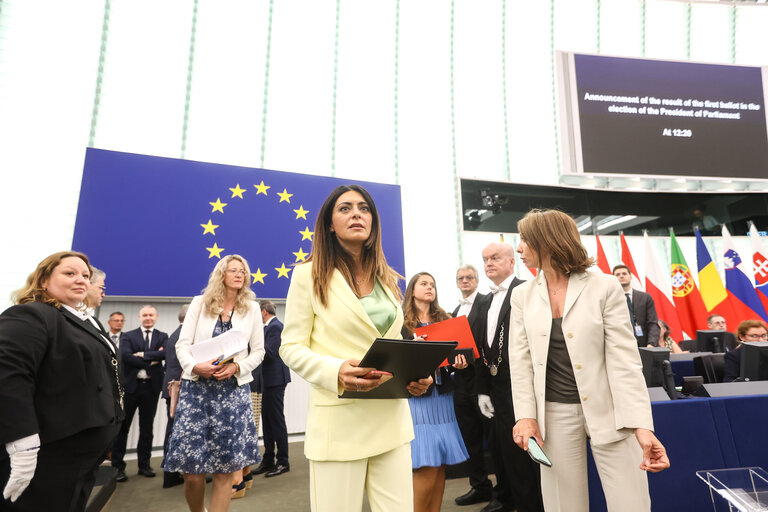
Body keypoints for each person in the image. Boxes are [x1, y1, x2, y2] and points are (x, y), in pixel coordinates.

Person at [280, 184, 432, 512]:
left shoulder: (388, 279)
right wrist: (335, 371)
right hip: (339, 423)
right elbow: (290, 347)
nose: (356, 214)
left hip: (390, 419)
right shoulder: (306, 276)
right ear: (329, 224)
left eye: (364, 208)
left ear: (373, 222)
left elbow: (392, 342)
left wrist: (416, 376)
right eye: (345, 208)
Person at [510, 209, 670, 512]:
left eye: (524, 240)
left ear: (548, 241)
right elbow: (521, 363)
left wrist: (642, 426)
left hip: (611, 412)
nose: (519, 248)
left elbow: (624, 361)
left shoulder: (605, 286)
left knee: (631, 504)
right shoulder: (522, 296)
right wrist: (525, 416)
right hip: (553, 417)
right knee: (562, 506)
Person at [0, 251, 124, 511]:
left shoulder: (84, 321)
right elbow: (8, 376)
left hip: (82, 457)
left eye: (86, 276)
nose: (81, 280)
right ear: (44, 280)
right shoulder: (32, 314)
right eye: (70, 273)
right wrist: (23, 446)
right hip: (52, 455)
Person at [165, 254, 265, 512]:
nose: (239, 275)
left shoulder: (252, 308)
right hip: (197, 392)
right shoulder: (200, 303)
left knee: (226, 471)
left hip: (233, 393)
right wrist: (195, 366)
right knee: (192, 472)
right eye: (233, 270)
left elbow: (259, 352)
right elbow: (182, 345)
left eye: (243, 271)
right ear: (221, 274)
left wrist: (236, 367)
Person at [475, 243, 543, 512]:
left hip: (523, 387)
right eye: (485, 259)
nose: (489, 263)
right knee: (506, 456)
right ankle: (513, 502)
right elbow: (481, 346)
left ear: (512, 261)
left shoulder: (528, 291)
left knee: (527, 458)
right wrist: (482, 389)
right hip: (496, 389)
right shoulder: (486, 300)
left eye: (495, 258)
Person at [401, 272, 469, 512]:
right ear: (412, 290)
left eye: (432, 284)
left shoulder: (446, 320)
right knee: (425, 464)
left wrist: (458, 364)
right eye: (424, 284)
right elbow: (397, 363)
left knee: (440, 466)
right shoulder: (402, 324)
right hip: (419, 401)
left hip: (444, 398)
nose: (429, 287)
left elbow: (452, 360)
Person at [451, 265, 494, 507]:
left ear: (477, 281)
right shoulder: (455, 311)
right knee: (471, 439)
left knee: (493, 438)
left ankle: (504, 491)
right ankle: (480, 486)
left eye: (469, 277)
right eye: (461, 278)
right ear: (457, 282)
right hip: (461, 384)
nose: (465, 281)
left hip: (485, 382)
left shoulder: (488, 302)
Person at [111, 305, 169, 481]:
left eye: (151, 315)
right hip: (130, 388)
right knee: (122, 428)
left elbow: (166, 354)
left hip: (150, 388)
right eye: (145, 315)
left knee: (147, 429)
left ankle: (144, 465)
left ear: (156, 317)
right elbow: (126, 356)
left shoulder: (162, 336)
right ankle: (118, 467)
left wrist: (142, 354)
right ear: (139, 317)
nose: (148, 318)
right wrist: (152, 360)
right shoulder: (129, 336)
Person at [256, 300, 291, 478]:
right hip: (266, 380)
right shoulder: (266, 329)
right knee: (267, 421)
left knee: (276, 420)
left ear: (263, 312)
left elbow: (270, 354)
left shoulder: (276, 327)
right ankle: (268, 459)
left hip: (276, 380)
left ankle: (283, 461)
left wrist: (252, 341)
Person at [161, 304, 189, 489]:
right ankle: (170, 474)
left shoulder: (176, 334)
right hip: (178, 390)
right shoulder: (184, 336)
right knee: (175, 431)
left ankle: (171, 473)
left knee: (173, 430)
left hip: (172, 389)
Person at [612, 264, 659, 348]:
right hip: (620, 346)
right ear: (613, 279)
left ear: (630, 276)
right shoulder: (610, 299)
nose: (621, 276)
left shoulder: (645, 297)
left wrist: (651, 344)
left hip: (645, 346)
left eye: (624, 273)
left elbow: (653, 323)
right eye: (617, 275)